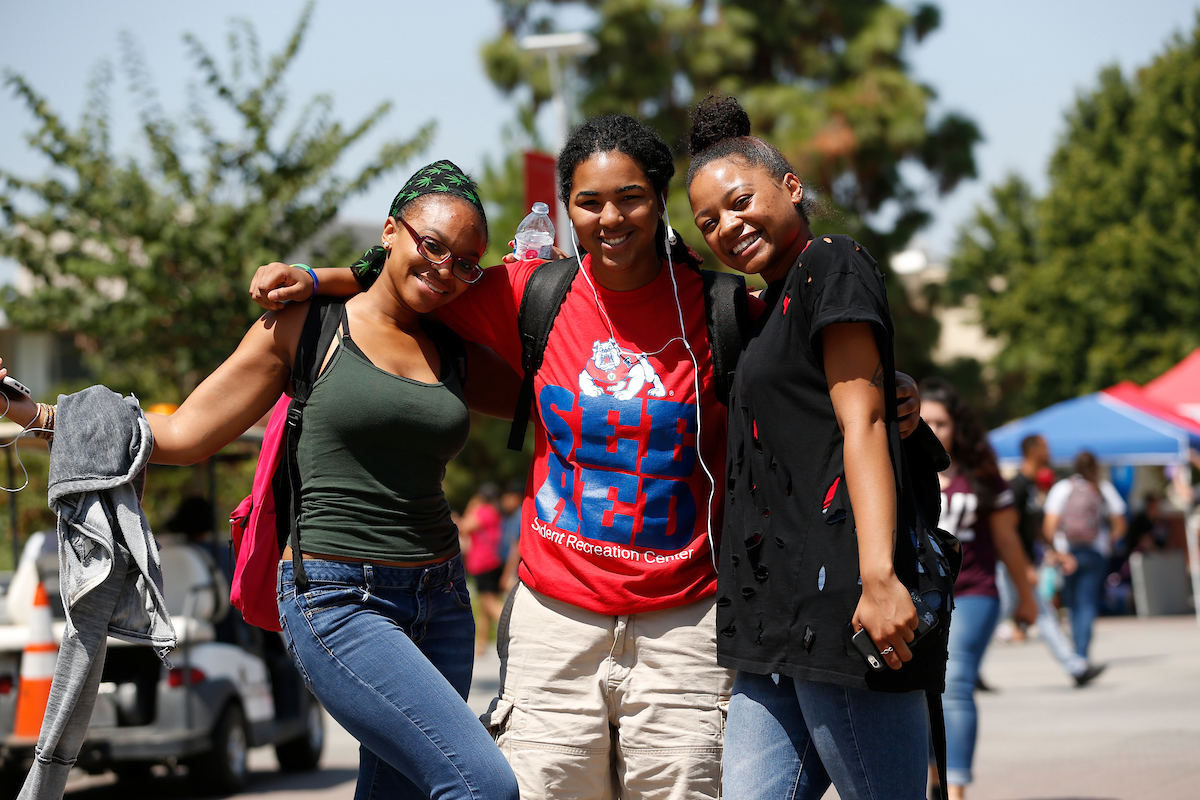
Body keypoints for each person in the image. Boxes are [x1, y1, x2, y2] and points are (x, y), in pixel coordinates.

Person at [249, 112, 925, 800]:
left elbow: (813, 372)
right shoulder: (531, 295)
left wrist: (891, 388)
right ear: (566, 208)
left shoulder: (723, 308)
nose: (611, 217)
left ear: (661, 203)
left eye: (630, 197)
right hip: (556, 625)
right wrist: (318, 276)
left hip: (685, 626)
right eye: (588, 201)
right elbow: (416, 278)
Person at [1, 160, 522, 800]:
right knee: (481, 783)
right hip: (338, 600)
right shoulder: (308, 327)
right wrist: (33, 413)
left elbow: (555, 393)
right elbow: (187, 433)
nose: (445, 270)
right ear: (390, 230)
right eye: (432, 245)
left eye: (466, 263)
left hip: (441, 600)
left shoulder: (454, 345)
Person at [684, 94, 941, 799]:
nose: (727, 227)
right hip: (769, 628)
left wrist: (881, 577)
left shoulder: (832, 262)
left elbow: (862, 425)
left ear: (791, 186)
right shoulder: (759, 310)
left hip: (846, 612)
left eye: (739, 202)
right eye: (709, 222)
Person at [919, 378, 1038, 800]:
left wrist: (1026, 595)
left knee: (956, 683)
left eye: (941, 422)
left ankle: (955, 789)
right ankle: (932, 779)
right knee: (921, 691)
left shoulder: (982, 475)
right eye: (923, 419)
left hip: (973, 592)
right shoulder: (897, 466)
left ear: (957, 428)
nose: (932, 428)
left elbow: (1008, 541)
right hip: (916, 599)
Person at [1008, 435, 1106, 686]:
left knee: (1044, 616)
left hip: (1021, 563)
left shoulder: (1030, 486)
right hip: (1011, 565)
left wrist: (1056, 552)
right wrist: (1025, 565)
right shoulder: (1017, 486)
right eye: (1045, 446)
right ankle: (959, 665)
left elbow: (1037, 529)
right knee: (994, 613)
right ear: (1033, 451)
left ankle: (1076, 668)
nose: (1049, 450)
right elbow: (1007, 531)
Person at [1042, 450, 1127, 661]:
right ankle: (1081, 652)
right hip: (1095, 552)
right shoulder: (1102, 488)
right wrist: (1110, 540)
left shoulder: (1062, 488)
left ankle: (1076, 651)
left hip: (1067, 553)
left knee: (1072, 604)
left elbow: (1049, 526)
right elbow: (1121, 524)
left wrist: (1054, 550)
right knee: (1088, 603)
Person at [458, 483, 505, 654]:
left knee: (489, 603)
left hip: (482, 563)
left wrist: (471, 506)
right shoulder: (494, 512)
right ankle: (482, 644)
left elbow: (463, 526)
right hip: (492, 562)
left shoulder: (483, 511)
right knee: (485, 607)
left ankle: (516, 631)